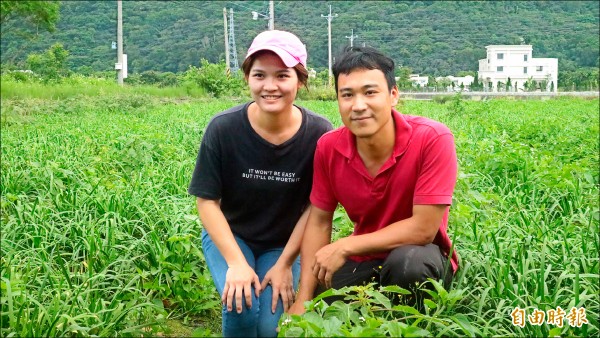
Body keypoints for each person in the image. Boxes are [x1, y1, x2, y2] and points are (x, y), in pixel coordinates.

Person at [288, 46, 458, 314]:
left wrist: (345, 245)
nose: (358, 106)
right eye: (347, 95)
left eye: (370, 92)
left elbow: (423, 229)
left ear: (393, 95)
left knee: (408, 266)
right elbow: (319, 220)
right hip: (366, 259)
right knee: (321, 299)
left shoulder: (432, 139)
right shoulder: (328, 148)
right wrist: (303, 300)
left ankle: (410, 323)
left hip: (421, 254)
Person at [188, 30, 332, 337]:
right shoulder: (223, 128)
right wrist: (236, 263)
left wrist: (284, 264)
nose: (270, 86)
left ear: (300, 80)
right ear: (247, 79)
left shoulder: (319, 133)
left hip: (284, 244)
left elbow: (315, 206)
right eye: (259, 75)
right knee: (240, 305)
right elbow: (207, 201)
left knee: (270, 328)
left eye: (282, 75)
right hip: (232, 236)